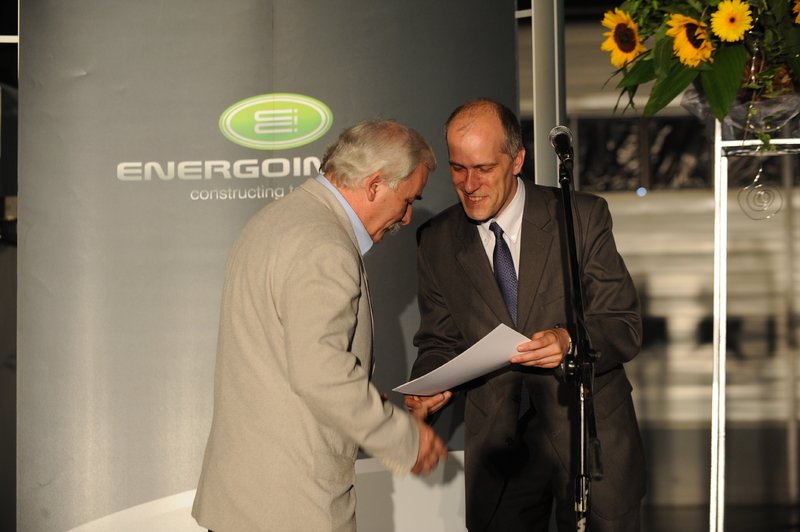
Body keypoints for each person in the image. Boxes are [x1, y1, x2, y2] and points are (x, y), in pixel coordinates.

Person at [192, 119, 448, 532]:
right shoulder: (325, 244)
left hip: (245, 499)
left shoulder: (276, 220)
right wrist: (404, 439)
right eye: (407, 200)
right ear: (375, 184)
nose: (406, 217)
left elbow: (285, 360)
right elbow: (320, 372)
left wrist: (361, 400)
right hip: (291, 507)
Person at [404, 99, 646, 532]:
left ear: (517, 160)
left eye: (484, 168)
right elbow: (439, 341)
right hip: (501, 450)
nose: (469, 184)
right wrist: (427, 387)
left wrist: (568, 340)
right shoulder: (436, 240)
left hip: (587, 434)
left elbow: (622, 324)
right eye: (458, 169)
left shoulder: (580, 217)